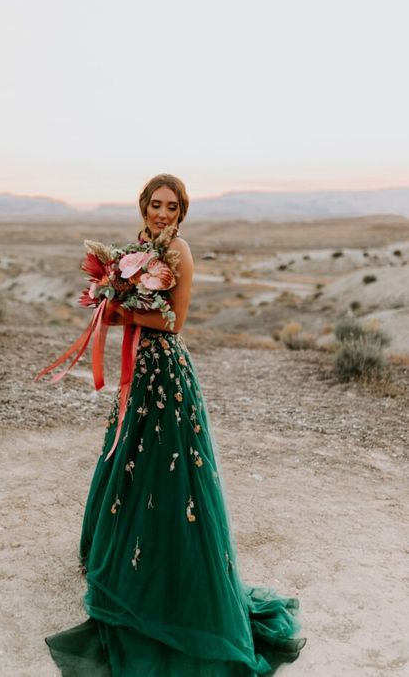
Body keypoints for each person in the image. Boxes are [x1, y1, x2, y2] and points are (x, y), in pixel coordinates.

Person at [45, 173, 306, 676]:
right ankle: (125, 564)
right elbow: (134, 315)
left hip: (166, 372)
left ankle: (174, 581)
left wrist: (122, 305)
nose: (162, 213)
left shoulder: (179, 250)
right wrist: (112, 303)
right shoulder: (140, 248)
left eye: (171, 206)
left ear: (182, 211)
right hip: (137, 372)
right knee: (128, 459)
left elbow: (173, 321)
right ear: (142, 208)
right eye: (155, 205)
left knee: (169, 471)